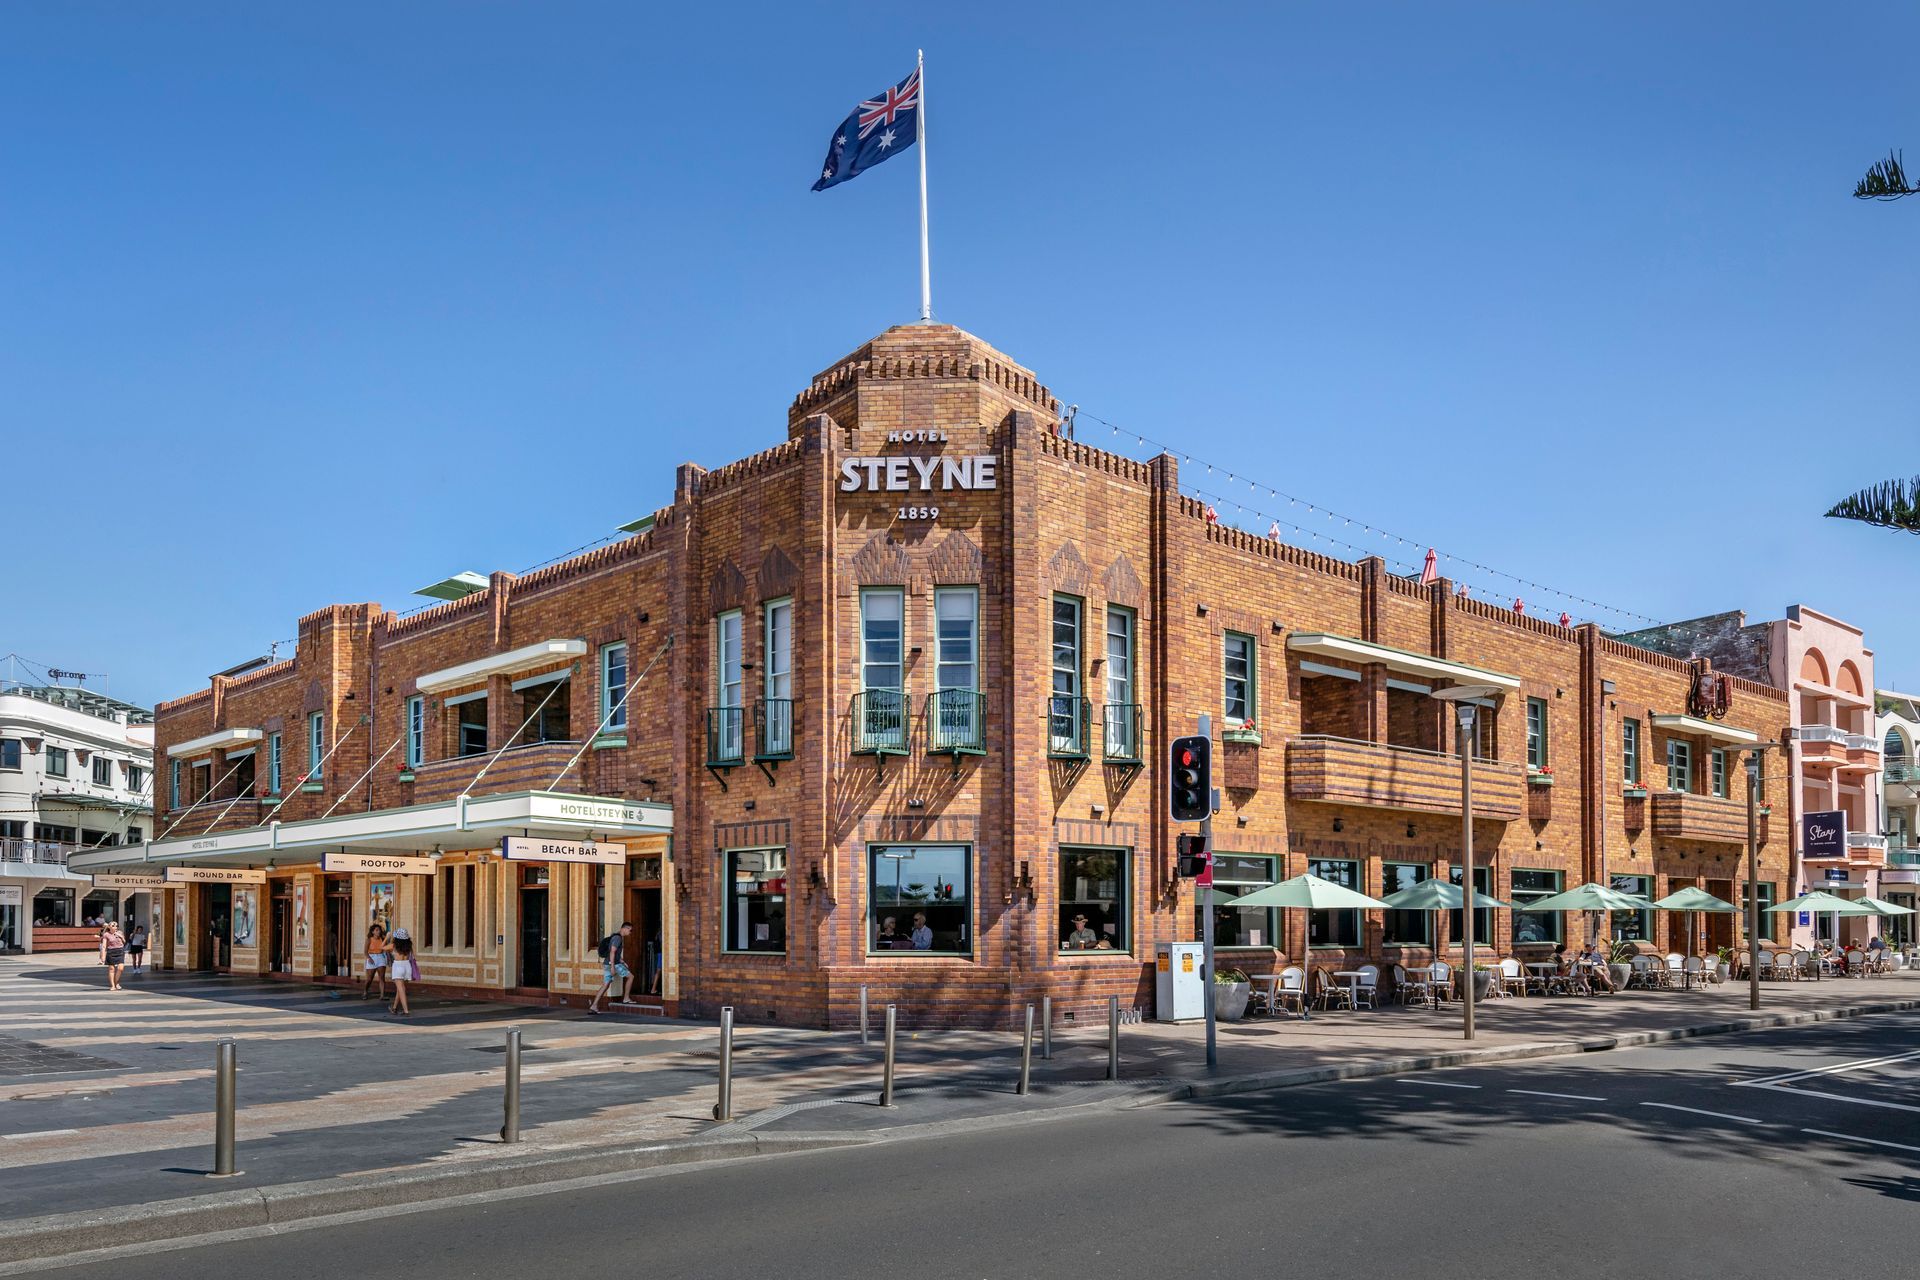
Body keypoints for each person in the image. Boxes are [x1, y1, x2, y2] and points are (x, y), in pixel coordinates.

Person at [588, 921, 635, 1015]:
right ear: (625, 928)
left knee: (606, 985)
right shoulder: (618, 938)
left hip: (607, 964)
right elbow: (612, 952)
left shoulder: (615, 936)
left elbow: (615, 952)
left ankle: (594, 1006)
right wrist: (613, 966)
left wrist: (622, 961)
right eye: (630, 930)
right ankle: (626, 998)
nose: (630, 933)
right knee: (631, 977)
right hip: (614, 964)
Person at [386, 928, 416, 1016]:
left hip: (398, 966)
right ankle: (394, 1008)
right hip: (407, 966)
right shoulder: (408, 946)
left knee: (401, 989)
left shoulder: (394, 946)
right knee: (400, 989)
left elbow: (381, 947)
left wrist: (387, 938)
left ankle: (406, 1011)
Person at [363, 923, 389, 1001]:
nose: (378, 931)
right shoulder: (369, 939)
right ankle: (365, 991)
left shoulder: (382, 938)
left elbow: (386, 948)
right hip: (372, 957)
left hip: (381, 957)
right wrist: (369, 958)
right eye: (376, 930)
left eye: (379, 930)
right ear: (373, 932)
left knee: (382, 978)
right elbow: (365, 951)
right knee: (369, 979)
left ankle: (382, 995)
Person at [99, 921, 127, 992]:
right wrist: (103, 956)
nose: (115, 927)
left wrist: (120, 936)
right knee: (112, 969)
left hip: (120, 951)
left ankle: (116, 982)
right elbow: (104, 946)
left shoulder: (119, 933)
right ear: (109, 927)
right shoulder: (106, 934)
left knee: (121, 968)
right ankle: (113, 985)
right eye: (113, 926)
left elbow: (124, 941)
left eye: (116, 926)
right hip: (111, 952)